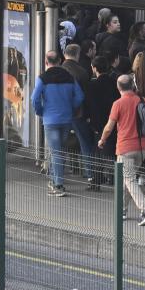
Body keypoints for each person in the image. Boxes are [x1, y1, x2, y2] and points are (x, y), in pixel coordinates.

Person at [99, 74, 145, 226]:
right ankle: (122, 210)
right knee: (127, 180)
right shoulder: (142, 100)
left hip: (125, 148)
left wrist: (102, 140)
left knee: (129, 180)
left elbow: (109, 127)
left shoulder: (118, 104)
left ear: (118, 87)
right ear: (132, 85)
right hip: (142, 148)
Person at [33, 50, 84, 197]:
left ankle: (58, 184)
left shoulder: (42, 79)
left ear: (46, 61)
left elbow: (35, 99)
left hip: (50, 120)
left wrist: (41, 111)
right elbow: (80, 96)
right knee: (60, 150)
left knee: (56, 151)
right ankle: (55, 179)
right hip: (66, 119)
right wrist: (71, 107)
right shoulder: (69, 77)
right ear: (60, 61)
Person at [62, 43, 98, 188]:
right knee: (85, 144)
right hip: (79, 113)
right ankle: (90, 174)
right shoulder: (82, 72)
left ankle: (55, 173)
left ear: (65, 54)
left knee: (59, 144)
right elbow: (86, 96)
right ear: (77, 55)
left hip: (62, 113)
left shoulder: (60, 70)